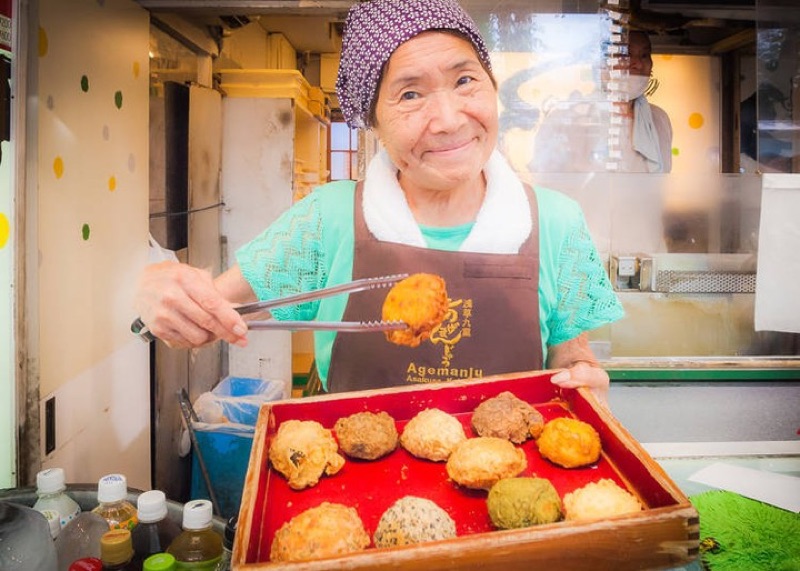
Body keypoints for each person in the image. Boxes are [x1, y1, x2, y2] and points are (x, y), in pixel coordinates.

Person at [134, 0, 624, 403]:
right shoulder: (328, 219)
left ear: (492, 87)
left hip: (509, 498)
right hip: (353, 496)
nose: (449, 119)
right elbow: (208, 313)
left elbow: (570, 357)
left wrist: (583, 377)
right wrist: (166, 295)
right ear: (375, 121)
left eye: (464, 80)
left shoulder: (556, 222)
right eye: (410, 94)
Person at [531, 30, 673, 173]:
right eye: (626, 55)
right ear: (602, 63)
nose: (638, 64)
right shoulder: (566, 119)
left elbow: (663, 183)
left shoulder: (659, 119)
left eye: (644, 55)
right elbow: (544, 181)